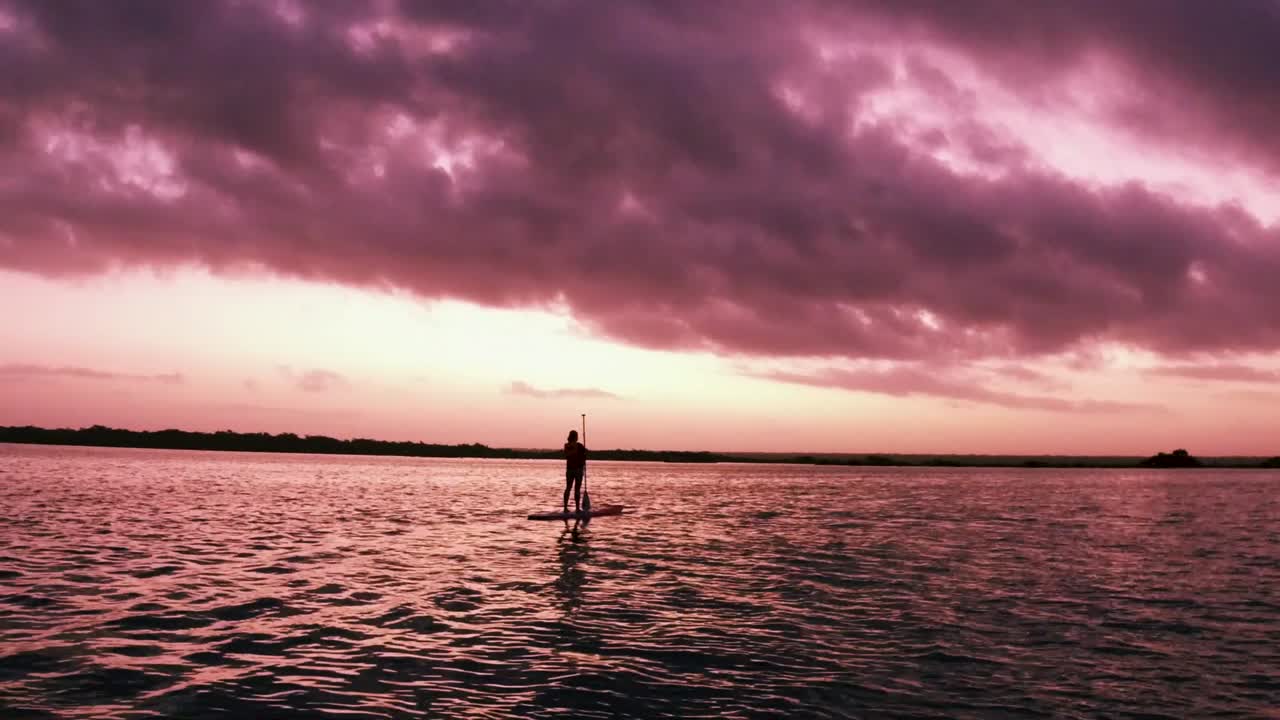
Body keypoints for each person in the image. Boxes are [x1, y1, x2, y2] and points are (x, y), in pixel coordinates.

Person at [563, 429, 587, 513]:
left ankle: (565, 508)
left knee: (568, 488)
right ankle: (577, 509)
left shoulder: (566, 445)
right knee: (577, 489)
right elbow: (585, 454)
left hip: (569, 470)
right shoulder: (579, 445)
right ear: (576, 437)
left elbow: (567, 455)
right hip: (577, 470)